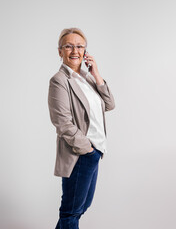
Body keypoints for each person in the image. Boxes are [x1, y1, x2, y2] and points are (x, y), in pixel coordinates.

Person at [48, 27, 115, 229]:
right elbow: (63, 123)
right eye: (68, 46)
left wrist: (96, 74)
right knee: (71, 212)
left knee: (80, 208)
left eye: (79, 46)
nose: (74, 50)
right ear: (60, 51)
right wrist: (87, 149)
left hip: (95, 152)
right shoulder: (59, 81)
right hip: (79, 154)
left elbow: (110, 104)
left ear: (85, 51)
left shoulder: (87, 78)